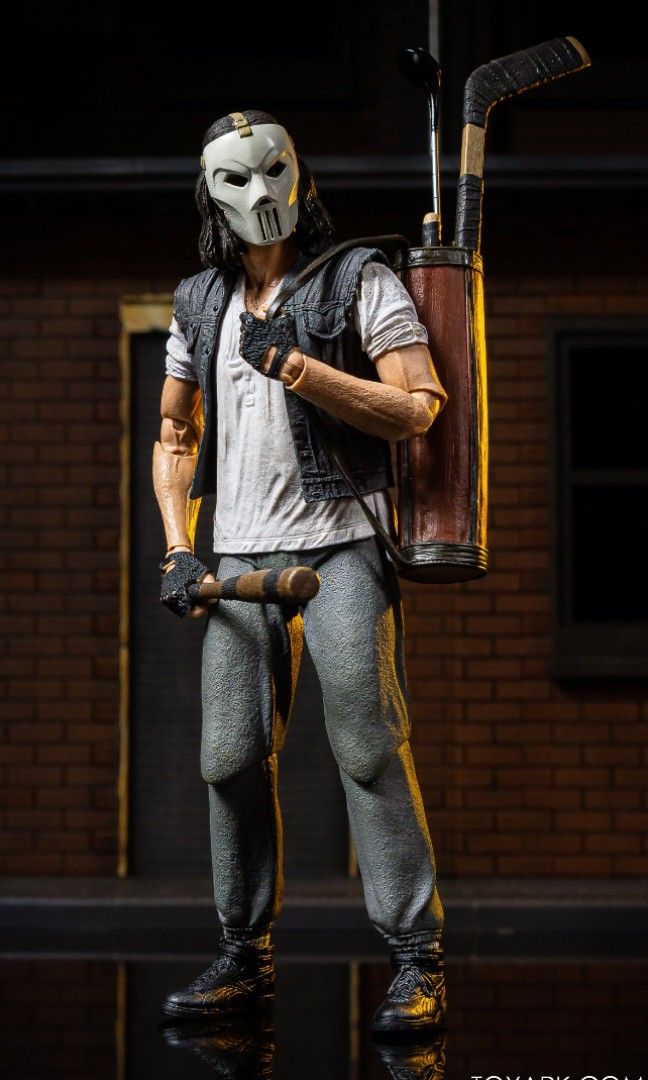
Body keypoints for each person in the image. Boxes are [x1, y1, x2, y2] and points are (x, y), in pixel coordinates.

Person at [153, 109, 448, 1035]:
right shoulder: (199, 301)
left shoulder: (359, 279)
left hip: (340, 542)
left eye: (273, 168)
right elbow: (174, 433)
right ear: (211, 195)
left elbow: (419, 406)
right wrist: (177, 544)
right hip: (239, 556)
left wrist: (300, 369)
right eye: (236, 178)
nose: (260, 192)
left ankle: (418, 960)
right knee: (228, 759)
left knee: (368, 747)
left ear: (300, 174)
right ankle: (245, 957)